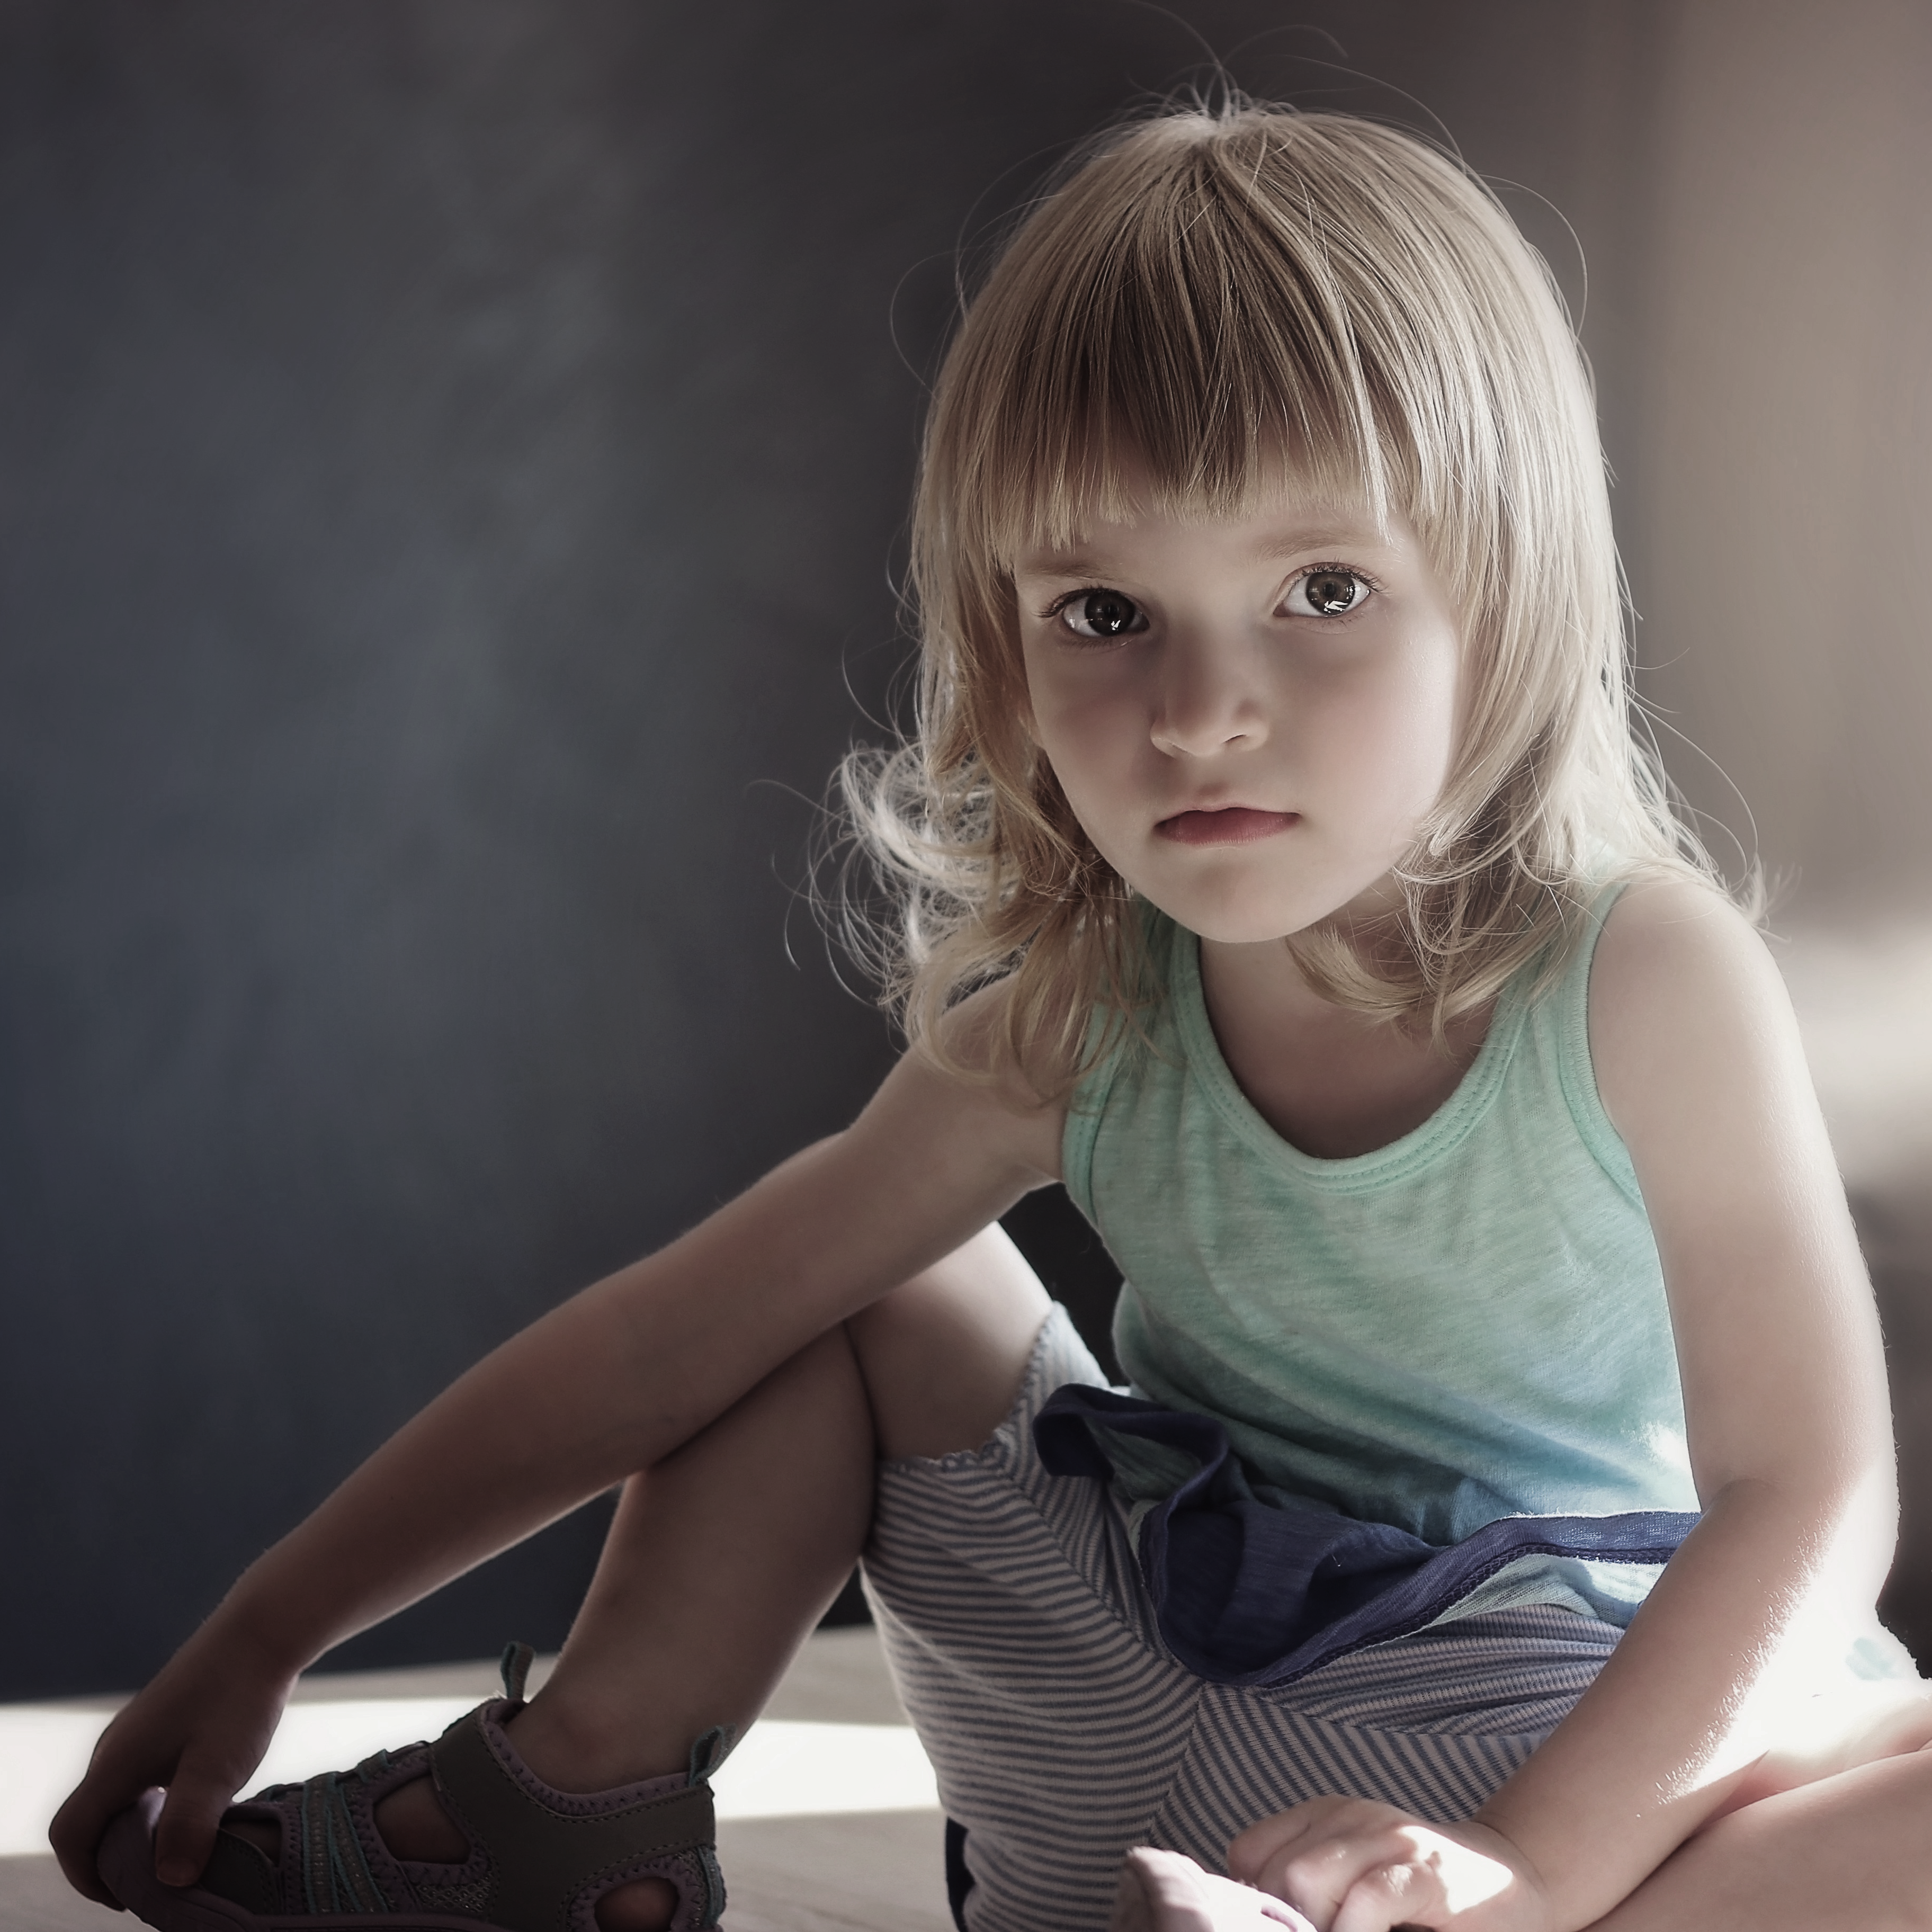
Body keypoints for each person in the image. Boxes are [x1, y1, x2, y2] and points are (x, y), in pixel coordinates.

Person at [51, 99, 1932, 1932]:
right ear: (1003, 642)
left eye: (1322, 590)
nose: (1201, 710)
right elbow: (660, 1351)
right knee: (842, 1275)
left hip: (1516, 1778)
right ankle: (572, 1803)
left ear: (1504, 605)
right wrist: (269, 1629)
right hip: (1119, 1690)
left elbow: (1811, 1488)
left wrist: (1527, 1867)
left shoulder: (1641, 973)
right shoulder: (1081, 1014)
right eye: (1105, 613)